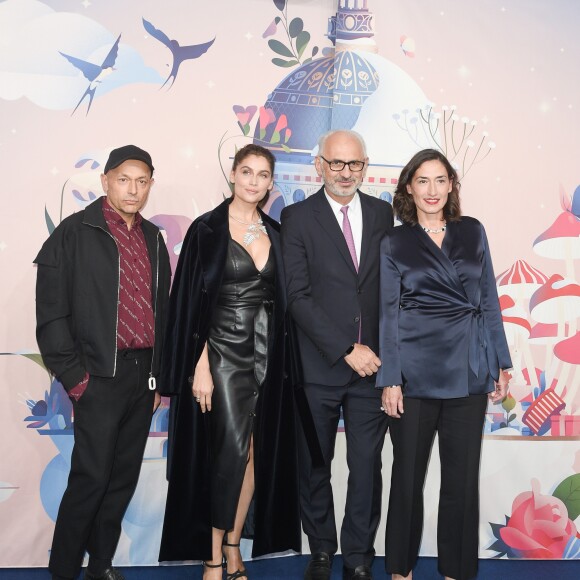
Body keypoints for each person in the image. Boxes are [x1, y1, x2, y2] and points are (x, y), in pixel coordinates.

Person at [158, 144, 301, 579]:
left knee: (257, 453)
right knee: (226, 454)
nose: (253, 181)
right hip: (220, 353)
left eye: (262, 174)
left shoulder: (278, 232)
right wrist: (198, 364)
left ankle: (236, 544)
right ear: (233, 175)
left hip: (269, 356)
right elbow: (189, 305)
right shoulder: (206, 230)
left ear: (271, 183)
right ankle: (213, 556)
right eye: (246, 172)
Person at [35, 145, 171, 580]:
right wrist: (77, 380)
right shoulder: (73, 234)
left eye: (142, 181)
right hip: (97, 377)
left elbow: (163, 310)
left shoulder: (152, 237)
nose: (133, 190)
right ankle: (63, 570)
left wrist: (158, 377)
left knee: (122, 478)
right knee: (90, 478)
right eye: (124, 179)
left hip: (142, 376)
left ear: (150, 185)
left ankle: (102, 564)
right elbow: (52, 315)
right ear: (106, 181)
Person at [377, 149, 512, 580]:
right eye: (422, 181)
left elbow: (488, 298)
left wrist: (501, 363)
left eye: (440, 180)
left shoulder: (472, 231)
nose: (432, 190)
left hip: (469, 370)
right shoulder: (395, 241)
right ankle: (400, 569)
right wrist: (390, 378)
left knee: (461, 482)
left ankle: (456, 571)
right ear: (408, 188)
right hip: (413, 374)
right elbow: (388, 313)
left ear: (452, 185)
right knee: (406, 481)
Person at [280, 130, 393, 580]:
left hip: (374, 370)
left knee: (366, 466)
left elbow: (390, 288)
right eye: (337, 164)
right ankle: (322, 548)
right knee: (315, 464)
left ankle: (359, 556)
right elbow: (297, 296)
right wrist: (347, 348)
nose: (346, 173)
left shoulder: (384, 214)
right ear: (319, 165)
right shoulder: (297, 217)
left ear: (366, 166)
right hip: (320, 365)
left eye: (355, 165)